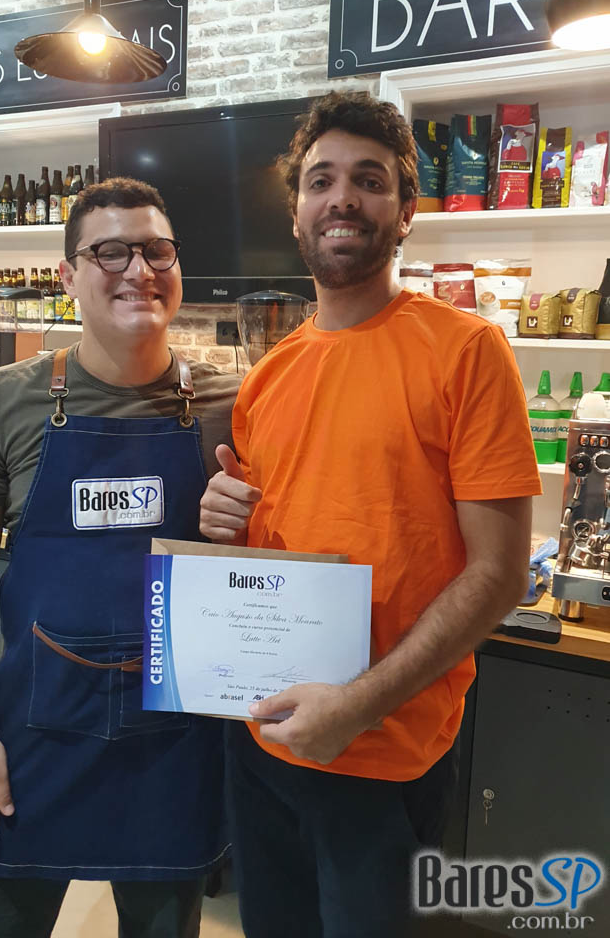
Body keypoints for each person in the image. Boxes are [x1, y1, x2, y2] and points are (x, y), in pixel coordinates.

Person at [199, 91, 542, 938]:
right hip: (263, 740)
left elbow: (499, 574)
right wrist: (225, 522)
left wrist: (356, 705)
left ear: (406, 211)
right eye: (320, 180)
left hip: (386, 756)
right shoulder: (269, 376)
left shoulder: (468, 351)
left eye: (369, 180)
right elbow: (280, 544)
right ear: (296, 212)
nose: (341, 198)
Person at [0, 177, 239, 938]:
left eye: (158, 250)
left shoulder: (235, 407)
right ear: (68, 276)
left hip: (175, 749)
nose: (140, 270)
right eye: (111, 252)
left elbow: (268, 567)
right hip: (29, 739)